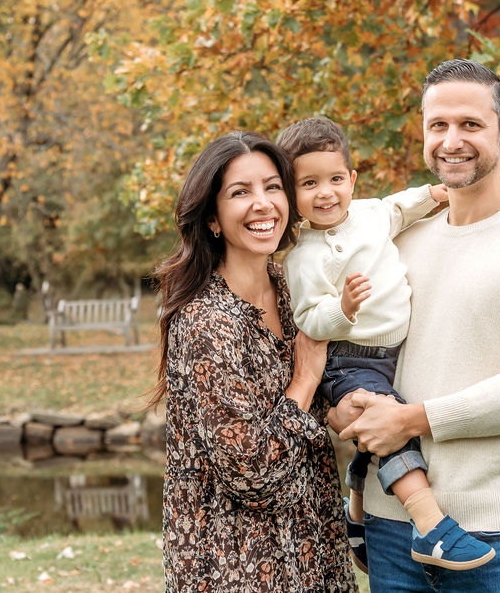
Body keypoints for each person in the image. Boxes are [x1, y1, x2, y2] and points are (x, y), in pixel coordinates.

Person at [336, 59, 500, 592]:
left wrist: (410, 420)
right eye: (438, 125)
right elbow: (359, 348)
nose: (451, 140)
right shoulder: (400, 240)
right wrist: (344, 404)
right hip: (391, 526)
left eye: (470, 125)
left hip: (494, 531)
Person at [276, 117, 496, 573]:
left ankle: (355, 512)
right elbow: (308, 318)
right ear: (291, 194)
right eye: (309, 183)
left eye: (336, 179)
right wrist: (342, 308)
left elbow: (398, 208)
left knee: (377, 430)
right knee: (391, 426)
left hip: (393, 353)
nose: (325, 193)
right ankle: (430, 527)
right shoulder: (305, 256)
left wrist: (431, 196)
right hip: (351, 360)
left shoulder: (369, 213)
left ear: (351, 179)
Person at [147, 131, 357, 592]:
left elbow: (313, 417)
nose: (263, 204)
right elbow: (254, 476)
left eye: (273, 186)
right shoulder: (205, 321)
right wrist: (303, 381)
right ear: (213, 219)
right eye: (241, 192)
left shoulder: (293, 291)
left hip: (313, 556)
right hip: (235, 566)